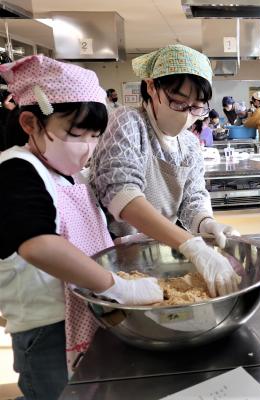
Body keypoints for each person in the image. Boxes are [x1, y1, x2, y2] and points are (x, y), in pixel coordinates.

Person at [0, 55, 162, 399]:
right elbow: (38, 244)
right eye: (76, 134)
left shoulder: (72, 175)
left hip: (88, 312)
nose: (88, 148)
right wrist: (118, 286)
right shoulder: (16, 169)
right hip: (47, 332)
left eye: (95, 136)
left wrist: (129, 243)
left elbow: (85, 233)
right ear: (30, 122)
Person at [90, 44, 241, 299]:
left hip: (160, 253)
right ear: (151, 87)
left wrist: (206, 222)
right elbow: (122, 196)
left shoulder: (190, 143)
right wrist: (191, 245)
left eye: (197, 108)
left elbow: (192, 197)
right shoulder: (128, 122)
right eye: (178, 102)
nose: (187, 116)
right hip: (116, 257)